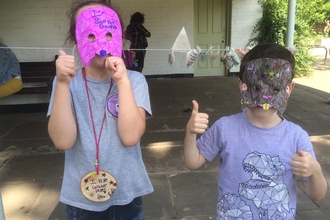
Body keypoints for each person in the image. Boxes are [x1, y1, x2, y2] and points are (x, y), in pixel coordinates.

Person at [184, 43, 327, 220]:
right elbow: (192, 162)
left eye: (275, 89)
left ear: (289, 88)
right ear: (241, 85)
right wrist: (190, 132)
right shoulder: (225, 128)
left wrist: (315, 171)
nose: (264, 97)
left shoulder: (297, 137)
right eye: (256, 88)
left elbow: (317, 195)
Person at [47, 1, 153, 219]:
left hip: (128, 195)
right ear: (76, 40)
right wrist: (63, 85)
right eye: (90, 36)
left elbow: (131, 136)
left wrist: (122, 82)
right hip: (82, 201)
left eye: (107, 34)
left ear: (120, 37)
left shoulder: (135, 81)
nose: (100, 43)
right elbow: (62, 141)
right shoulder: (67, 85)